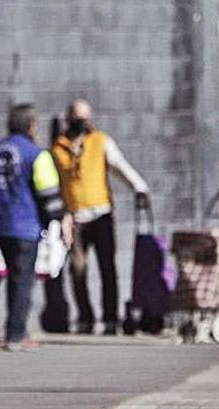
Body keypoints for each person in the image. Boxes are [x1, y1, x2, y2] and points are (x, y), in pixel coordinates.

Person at [51, 98, 150, 335]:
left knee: (107, 268)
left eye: (85, 118)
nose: (82, 123)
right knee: (78, 270)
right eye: (77, 118)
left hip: (101, 215)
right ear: (68, 119)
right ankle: (85, 317)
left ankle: (109, 318)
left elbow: (120, 167)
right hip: (74, 218)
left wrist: (140, 188)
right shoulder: (58, 148)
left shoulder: (101, 142)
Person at [0, 103, 71, 351]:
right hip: (25, 226)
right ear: (32, 126)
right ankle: (16, 334)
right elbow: (48, 191)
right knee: (22, 281)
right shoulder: (36, 154)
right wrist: (59, 218)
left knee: (7, 278)